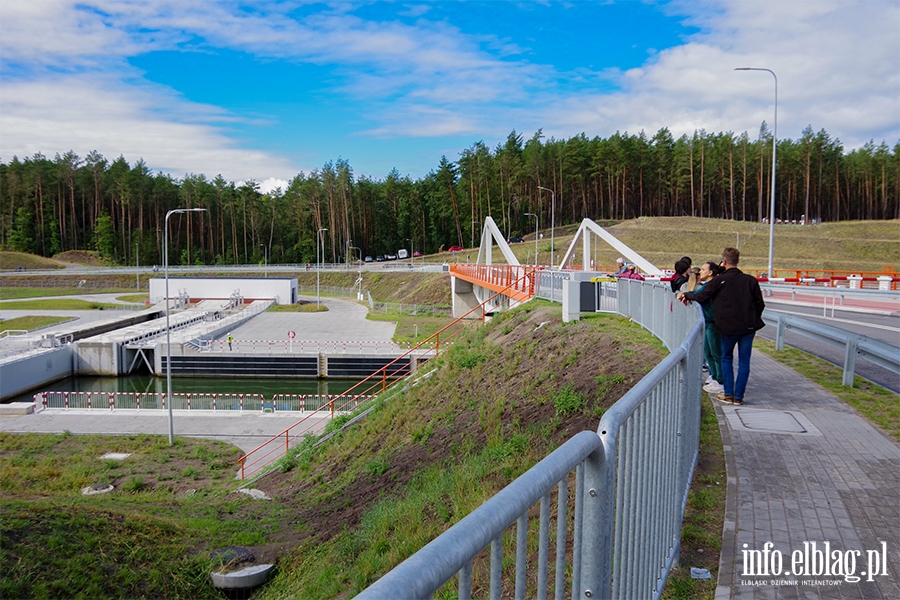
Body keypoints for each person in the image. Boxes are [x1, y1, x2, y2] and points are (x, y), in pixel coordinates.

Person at [677, 248, 764, 405]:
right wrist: (752, 319)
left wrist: (686, 294)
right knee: (744, 362)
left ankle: (728, 393)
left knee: (726, 358)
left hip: (727, 327)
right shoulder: (750, 280)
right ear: (737, 261)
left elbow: (701, 296)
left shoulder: (719, 280)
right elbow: (760, 304)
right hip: (748, 328)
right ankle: (739, 397)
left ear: (724, 261)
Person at [684, 261, 724, 394]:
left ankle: (720, 380)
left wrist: (685, 295)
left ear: (710, 272)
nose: (700, 272)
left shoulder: (711, 285)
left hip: (713, 323)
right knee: (708, 352)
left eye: (703, 269)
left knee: (715, 352)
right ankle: (715, 377)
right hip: (708, 323)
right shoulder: (707, 285)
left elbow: (698, 295)